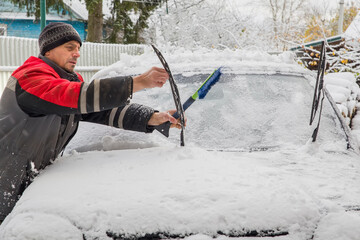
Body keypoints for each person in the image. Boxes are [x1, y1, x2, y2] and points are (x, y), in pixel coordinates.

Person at [0, 22, 182, 222]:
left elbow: (102, 110)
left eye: (78, 49)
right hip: (6, 179)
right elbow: (75, 96)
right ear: (48, 51)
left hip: (30, 181)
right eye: (69, 48)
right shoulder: (30, 77)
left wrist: (153, 118)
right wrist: (136, 83)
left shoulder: (67, 80)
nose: (77, 54)